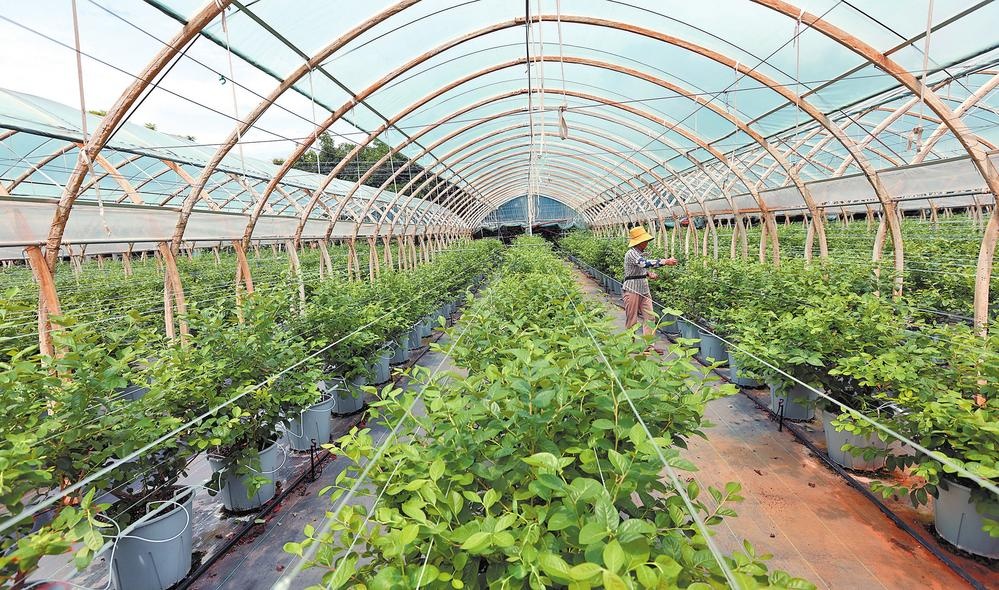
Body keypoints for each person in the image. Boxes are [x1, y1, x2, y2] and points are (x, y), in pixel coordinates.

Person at [623, 226, 677, 338]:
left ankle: (648, 346)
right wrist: (665, 261)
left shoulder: (640, 253)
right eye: (645, 240)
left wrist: (648, 274)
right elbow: (643, 263)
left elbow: (640, 268)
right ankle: (628, 345)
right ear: (639, 242)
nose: (647, 242)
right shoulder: (631, 253)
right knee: (632, 319)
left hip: (644, 288)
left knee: (650, 317)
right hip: (632, 289)